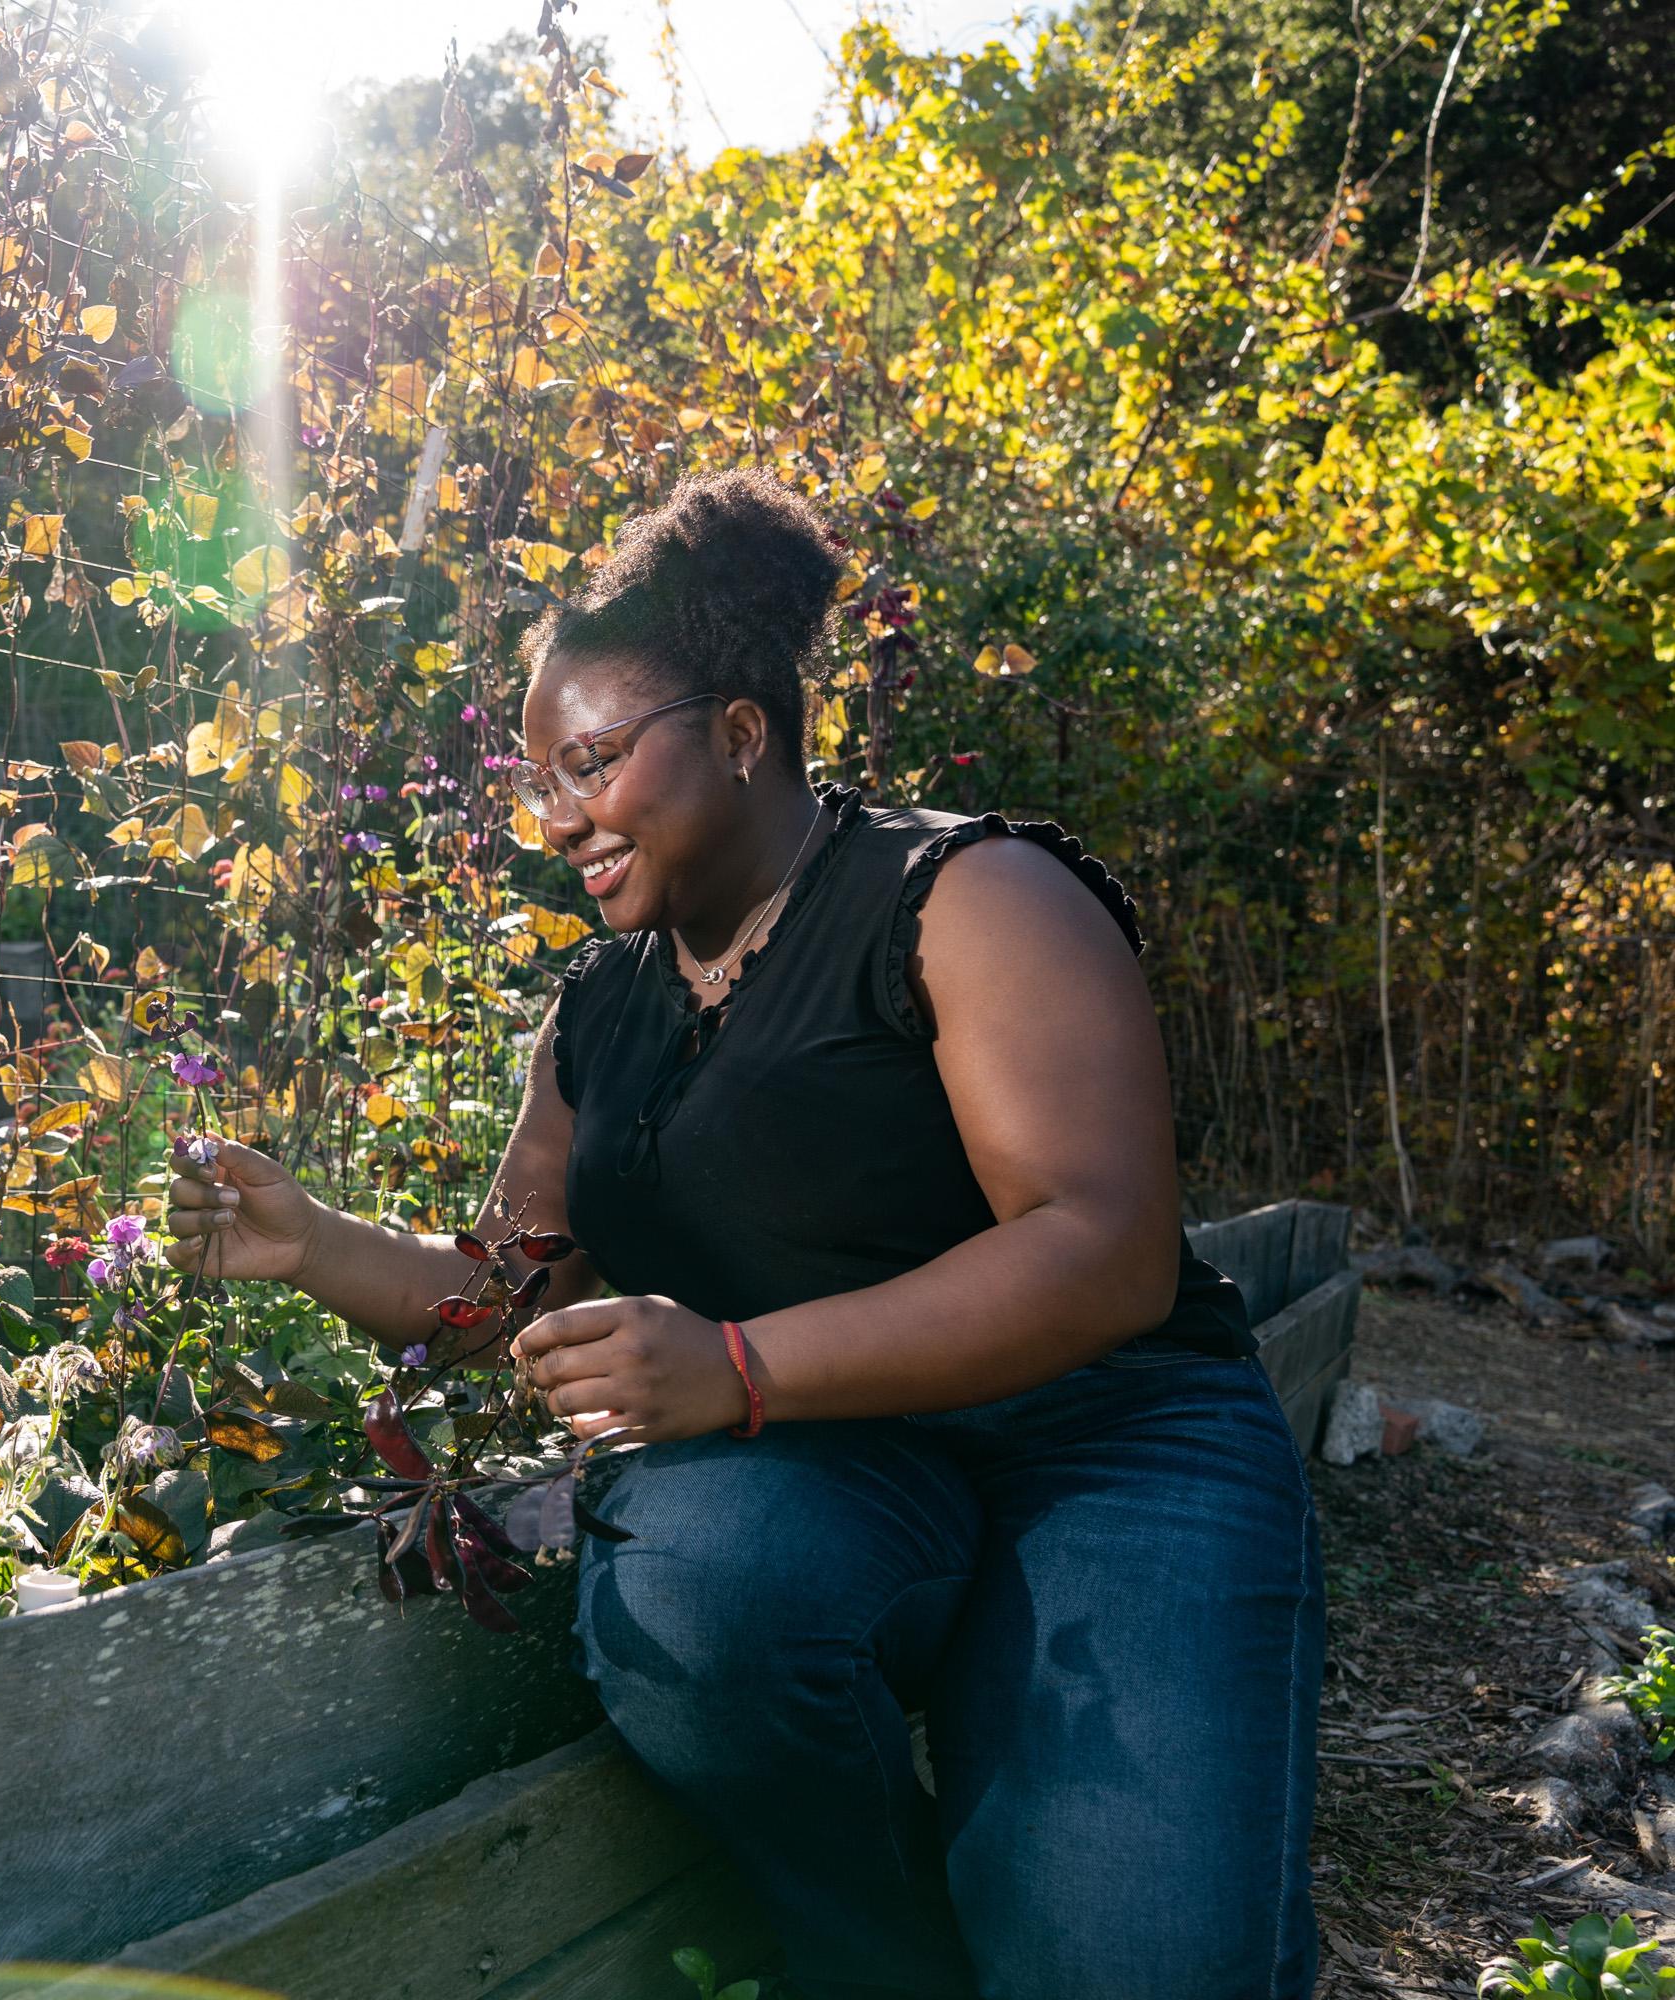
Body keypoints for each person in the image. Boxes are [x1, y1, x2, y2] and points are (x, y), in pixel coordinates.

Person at [165, 471, 1321, 2000]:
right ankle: (886, 1959)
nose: (554, 818)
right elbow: (520, 1300)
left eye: (587, 764)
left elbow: (1102, 1246)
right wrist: (309, 1243)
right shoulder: (602, 1013)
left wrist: (736, 1368)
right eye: (536, 782)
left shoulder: (965, 895)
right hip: (845, 1467)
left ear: (740, 732)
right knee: (692, 1585)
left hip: (1104, 1443)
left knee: (1143, 1967)